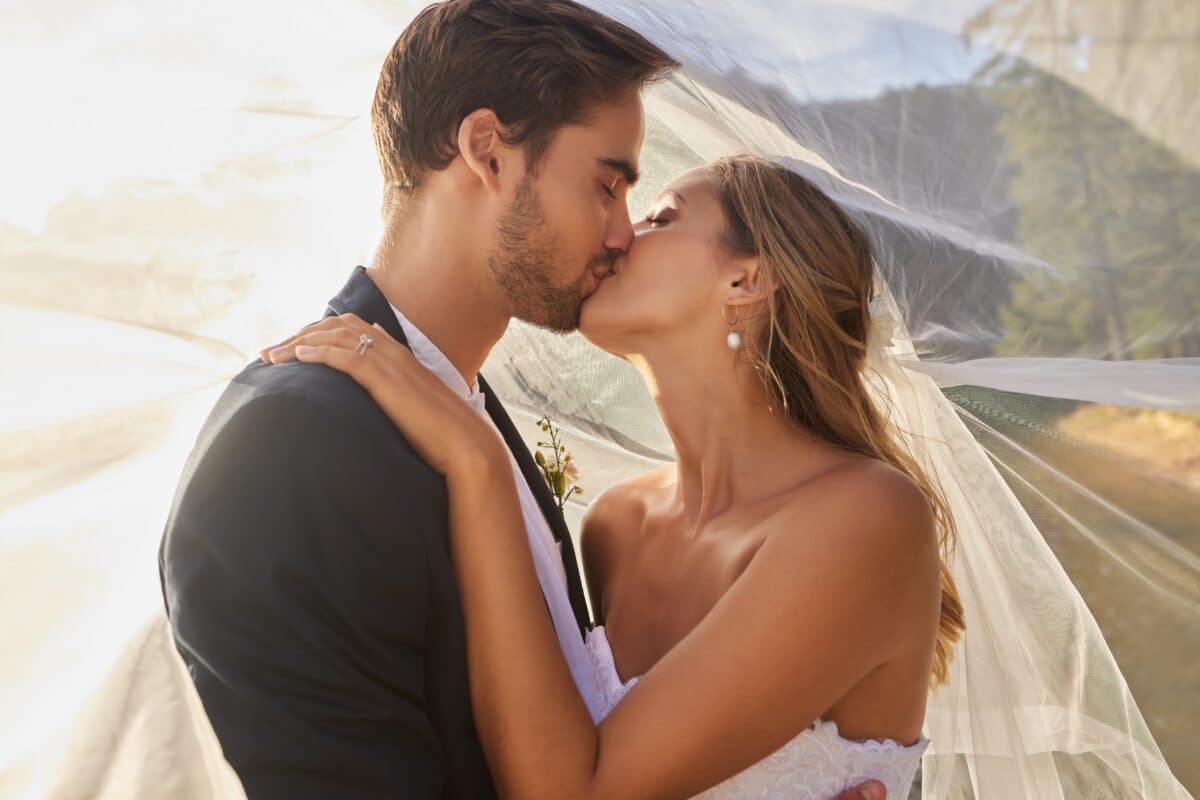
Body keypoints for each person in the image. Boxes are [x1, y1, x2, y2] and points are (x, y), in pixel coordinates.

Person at [159, 1, 893, 798]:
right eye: (607, 187)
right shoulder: (293, 445)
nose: (621, 236)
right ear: (488, 153)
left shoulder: (482, 431)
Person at [265, 154, 963, 798]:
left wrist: (476, 462)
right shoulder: (615, 527)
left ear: (746, 278)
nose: (620, 236)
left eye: (661, 217)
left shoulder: (868, 518)